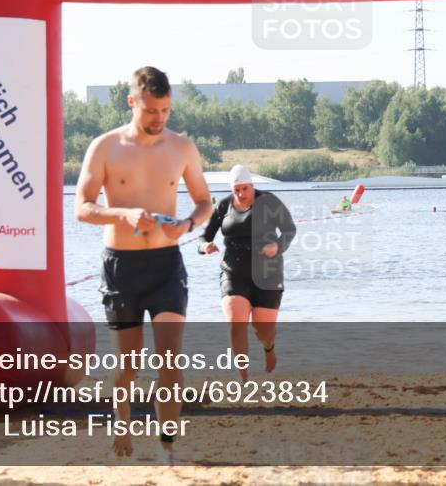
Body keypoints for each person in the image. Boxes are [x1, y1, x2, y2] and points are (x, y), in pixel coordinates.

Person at [75, 66, 213, 463]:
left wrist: (187, 225)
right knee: (128, 366)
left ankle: (166, 446)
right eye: (151, 110)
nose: (159, 118)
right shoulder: (105, 147)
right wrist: (123, 214)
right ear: (132, 101)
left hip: (166, 264)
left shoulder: (182, 147)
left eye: (166, 110)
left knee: (170, 362)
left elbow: (205, 203)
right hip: (121, 268)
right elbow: (81, 208)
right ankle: (122, 422)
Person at [197, 164, 296, 383]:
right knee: (235, 323)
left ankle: (269, 348)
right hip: (233, 272)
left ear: (252, 185)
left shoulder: (269, 202)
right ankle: (243, 376)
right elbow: (204, 236)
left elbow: (289, 229)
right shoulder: (224, 206)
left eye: (245, 189)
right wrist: (205, 246)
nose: (241, 194)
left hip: (268, 274)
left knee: (262, 330)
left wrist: (278, 246)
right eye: (236, 190)